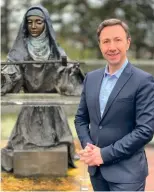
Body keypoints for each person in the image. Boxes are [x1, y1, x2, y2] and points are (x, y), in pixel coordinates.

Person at [1, 5, 84, 172]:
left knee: (56, 147)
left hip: (53, 112)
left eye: (38, 22)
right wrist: (6, 77)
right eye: (29, 22)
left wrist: (70, 73)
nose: (33, 26)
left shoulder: (56, 52)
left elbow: (65, 74)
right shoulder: (19, 52)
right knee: (23, 146)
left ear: (46, 24)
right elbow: (12, 74)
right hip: (29, 109)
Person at [75, 18, 154, 191]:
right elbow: (81, 119)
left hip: (127, 175)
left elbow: (145, 130)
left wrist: (103, 154)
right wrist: (89, 148)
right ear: (100, 45)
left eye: (117, 40)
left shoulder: (143, 81)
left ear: (128, 42)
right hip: (97, 173)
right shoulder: (91, 78)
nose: (112, 47)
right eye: (106, 41)